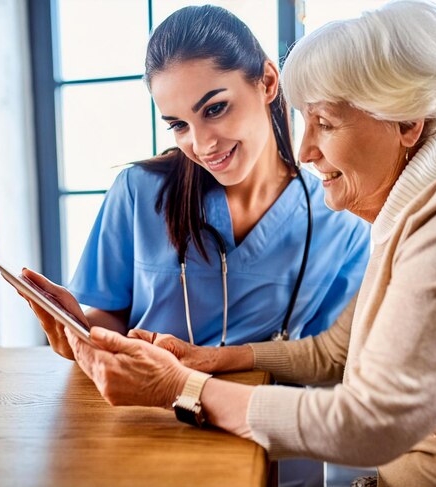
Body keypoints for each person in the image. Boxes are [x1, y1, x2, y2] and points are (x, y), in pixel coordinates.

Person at [39, 1, 436, 486]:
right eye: (305, 121)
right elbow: (334, 352)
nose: (304, 149)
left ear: (408, 123)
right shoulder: (415, 215)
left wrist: (180, 386)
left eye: (324, 122)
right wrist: (212, 359)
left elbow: (371, 425)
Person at [22, 5, 369, 360]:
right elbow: (112, 318)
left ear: (267, 82)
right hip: (146, 409)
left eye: (215, 108)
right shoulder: (137, 192)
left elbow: (327, 358)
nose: (202, 145)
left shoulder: (341, 224)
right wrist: (81, 334)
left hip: (255, 412)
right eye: (179, 125)